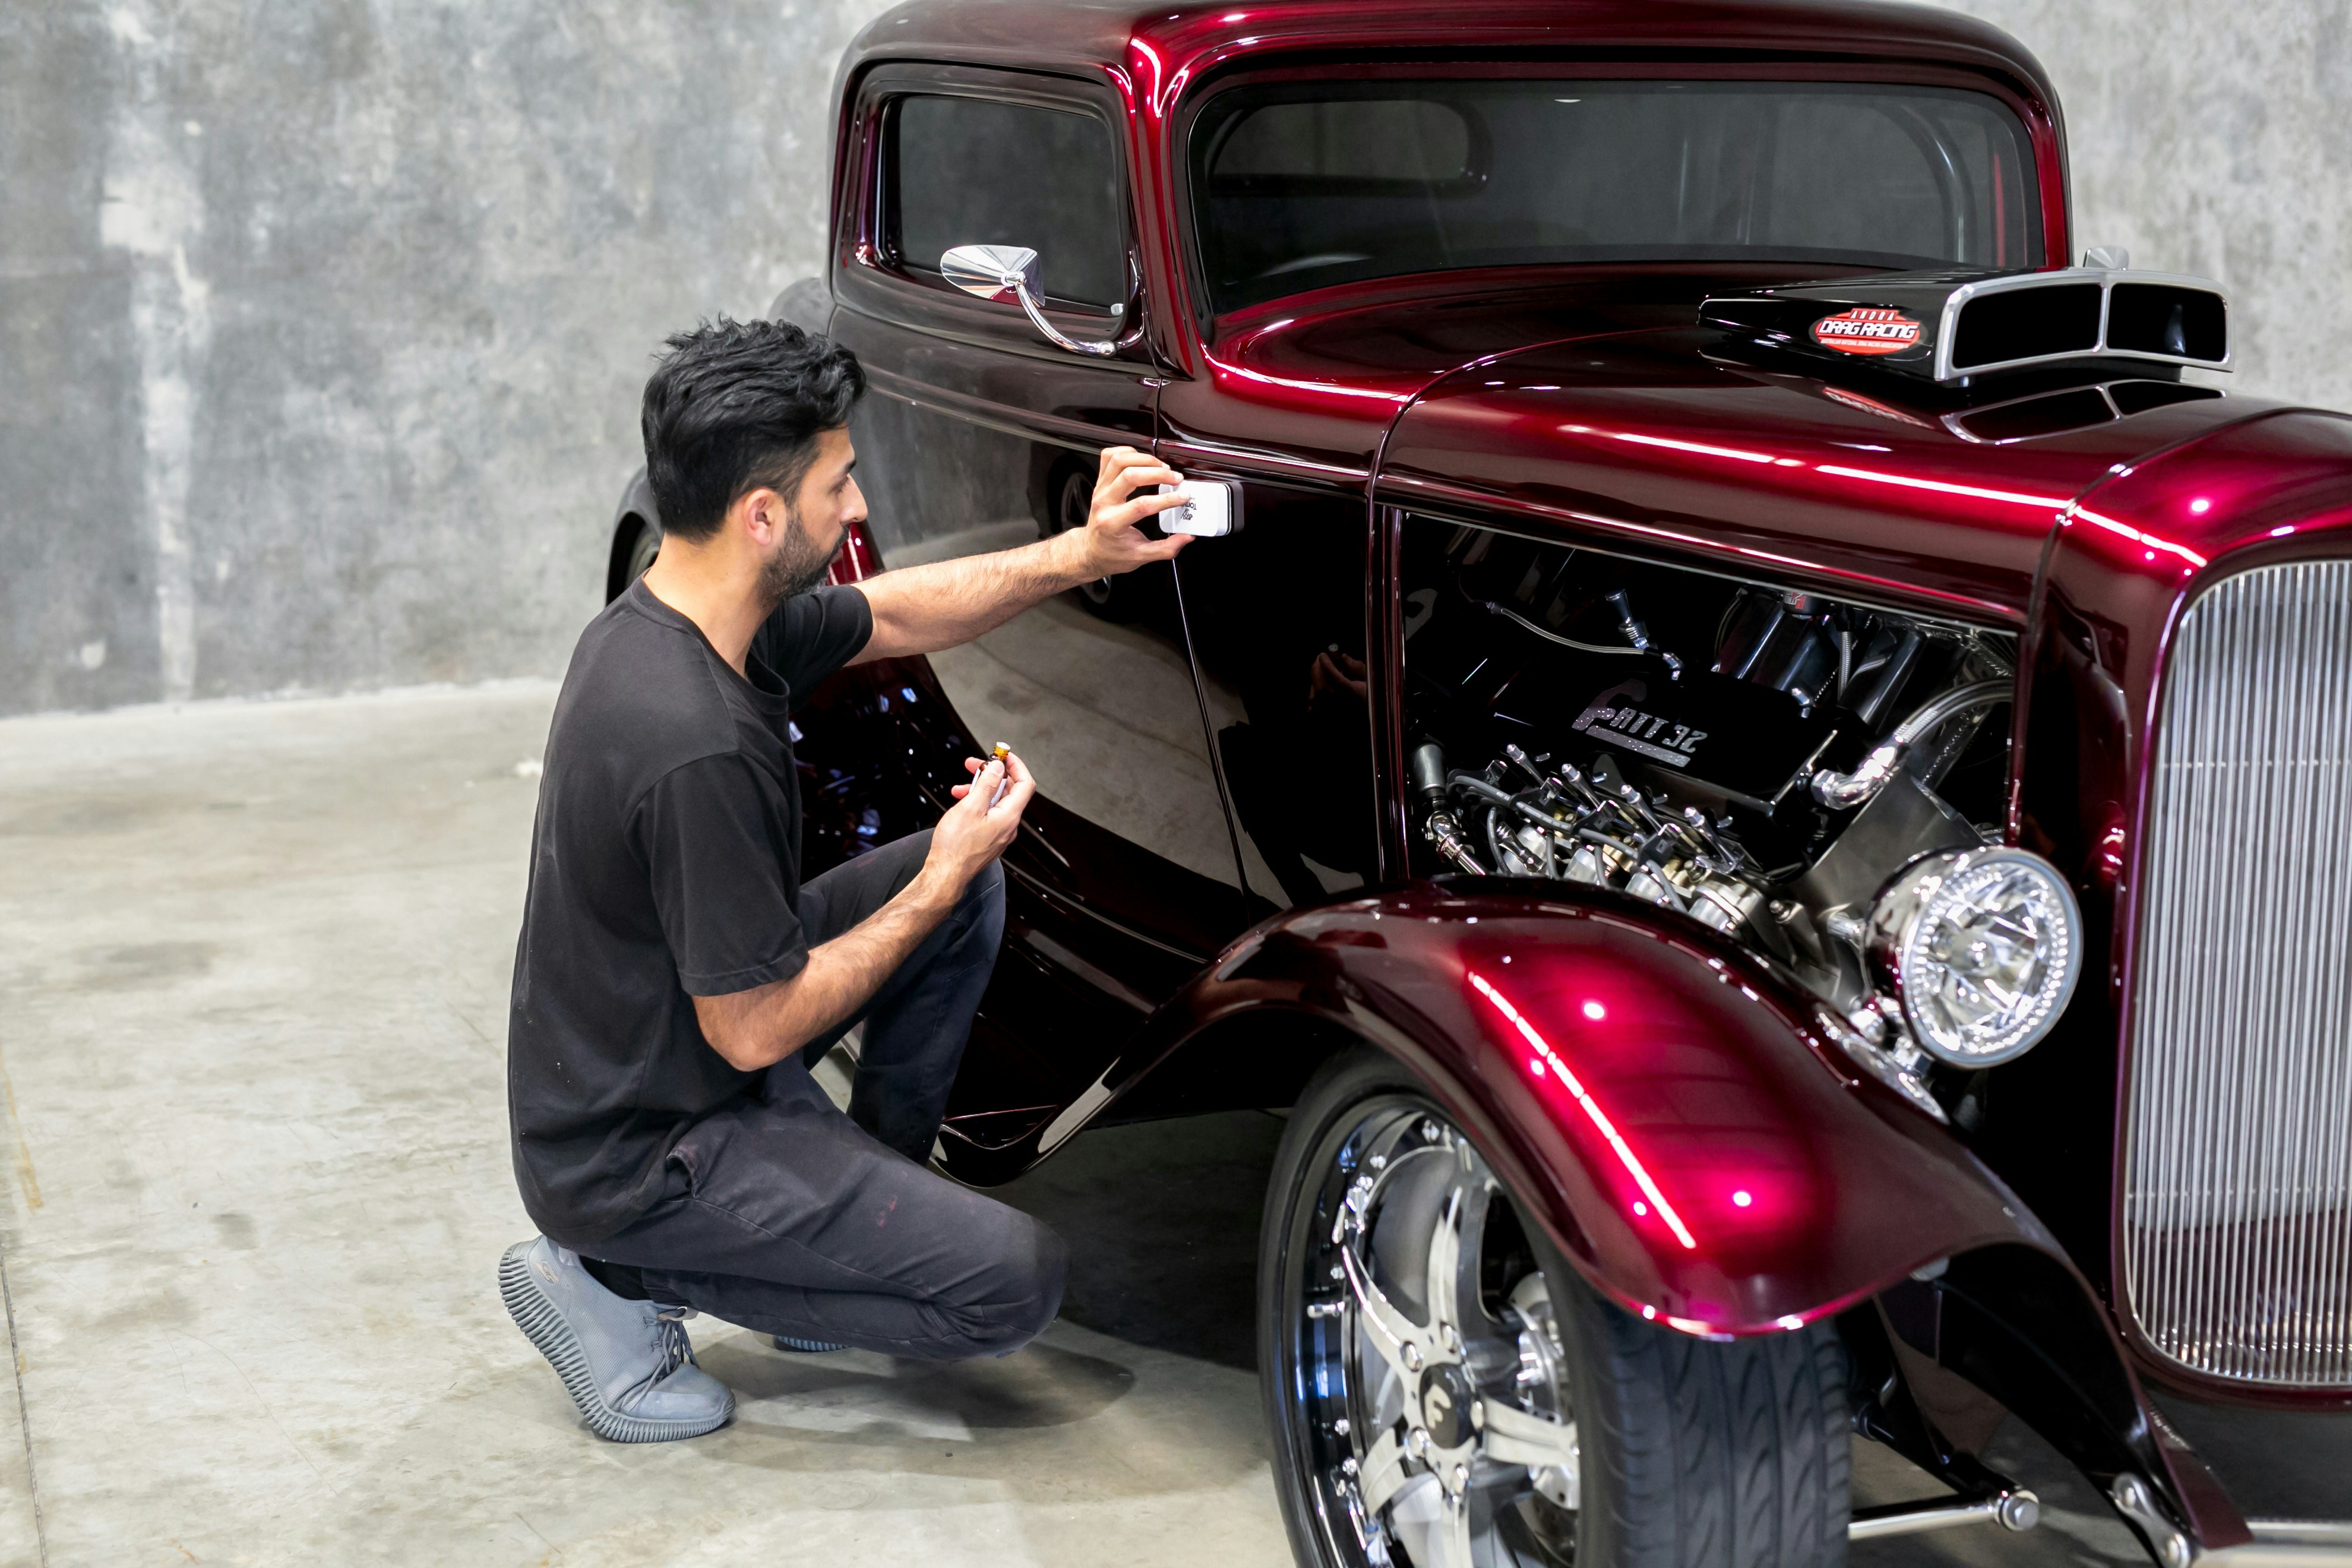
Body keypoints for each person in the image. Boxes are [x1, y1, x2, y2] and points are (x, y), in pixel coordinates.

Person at [498, 317, 1190, 1442]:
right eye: (838, 487)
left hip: (659, 1048)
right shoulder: (692, 740)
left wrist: (1085, 553)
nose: (857, 511)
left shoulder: (687, 619)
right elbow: (755, 1030)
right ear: (760, 514)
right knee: (1010, 1286)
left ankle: (841, 1201)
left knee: (958, 882)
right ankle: (611, 1279)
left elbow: (901, 610)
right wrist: (943, 869)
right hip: (639, 1152)